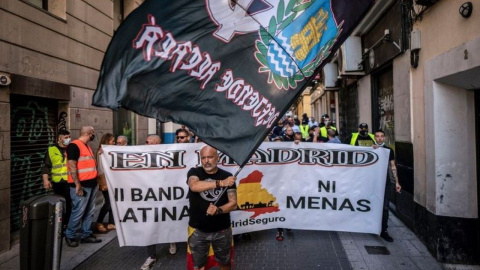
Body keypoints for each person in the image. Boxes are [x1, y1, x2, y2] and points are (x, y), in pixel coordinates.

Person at [187, 145, 237, 270]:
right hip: (198, 230)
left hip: (222, 230)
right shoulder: (194, 172)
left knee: (225, 263)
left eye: (210, 157)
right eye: (203, 158)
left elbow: (233, 204)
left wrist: (218, 210)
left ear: (217, 158)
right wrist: (220, 183)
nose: (206, 161)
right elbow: (194, 186)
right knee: (198, 266)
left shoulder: (227, 175)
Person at [141, 134, 177, 270]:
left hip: (165, 196)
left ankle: (171, 240)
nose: (145, 144)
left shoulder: (166, 154)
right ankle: (151, 256)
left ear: (156, 143)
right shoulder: (142, 154)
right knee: (150, 226)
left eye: (147, 142)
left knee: (167, 220)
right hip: (148, 197)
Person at [64, 126, 102, 247]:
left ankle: (86, 234)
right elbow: (72, 166)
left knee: (89, 211)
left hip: (91, 184)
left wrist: (98, 154)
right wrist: (78, 185)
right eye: (93, 133)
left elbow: (89, 164)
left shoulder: (87, 146)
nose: (93, 135)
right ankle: (69, 235)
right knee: (78, 211)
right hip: (81, 186)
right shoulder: (74, 146)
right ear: (89, 133)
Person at [373, 130, 402, 242]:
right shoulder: (371, 149)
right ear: (375, 137)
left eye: (381, 136)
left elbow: (393, 166)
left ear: (384, 138)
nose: (379, 138)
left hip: (385, 182)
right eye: (377, 136)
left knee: (385, 207)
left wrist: (397, 182)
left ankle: (384, 230)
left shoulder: (389, 150)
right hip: (373, 182)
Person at [42, 130, 72, 231]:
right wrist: (46, 180)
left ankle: (66, 225)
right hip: (57, 182)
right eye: (66, 137)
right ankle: (60, 224)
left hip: (69, 181)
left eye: (69, 137)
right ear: (59, 138)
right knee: (60, 204)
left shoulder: (71, 148)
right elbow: (46, 166)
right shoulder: (51, 149)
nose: (68, 139)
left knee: (69, 203)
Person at [96, 133, 116, 233]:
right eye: (113, 141)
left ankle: (111, 223)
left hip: (111, 180)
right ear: (107, 141)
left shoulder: (108, 151)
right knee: (108, 203)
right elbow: (102, 168)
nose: (114, 143)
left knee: (112, 202)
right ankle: (99, 222)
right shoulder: (102, 152)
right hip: (105, 180)